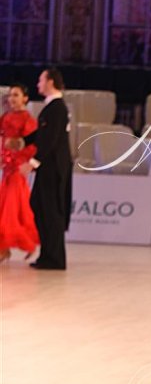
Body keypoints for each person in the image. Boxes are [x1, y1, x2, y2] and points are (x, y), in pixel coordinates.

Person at [7, 68, 73, 270]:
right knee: (40, 207)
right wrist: (22, 142)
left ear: (50, 82)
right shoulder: (52, 107)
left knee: (50, 211)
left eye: (41, 80)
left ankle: (55, 258)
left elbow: (51, 139)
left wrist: (33, 162)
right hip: (48, 167)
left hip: (53, 168)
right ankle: (48, 255)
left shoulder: (57, 108)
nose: (38, 84)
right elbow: (42, 134)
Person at [0, 84, 40, 262]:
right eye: (10, 95)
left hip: (17, 168)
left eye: (16, 95)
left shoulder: (27, 119)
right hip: (7, 168)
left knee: (11, 209)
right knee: (9, 209)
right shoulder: (6, 116)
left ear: (25, 98)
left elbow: (31, 145)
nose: (12, 99)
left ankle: (24, 243)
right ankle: (5, 248)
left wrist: (20, 162)